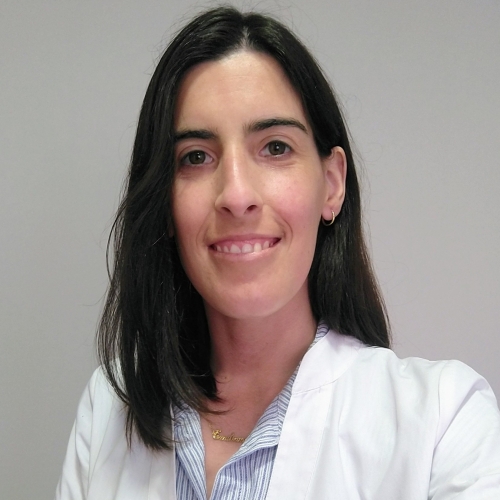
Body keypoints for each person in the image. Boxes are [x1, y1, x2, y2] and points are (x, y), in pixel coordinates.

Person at [55, 6, 500, 499]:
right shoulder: (108, 411)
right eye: (196, 157)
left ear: (332, 184)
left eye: (275, 148)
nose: (236, 194)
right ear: (163, 199)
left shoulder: (445, 424)